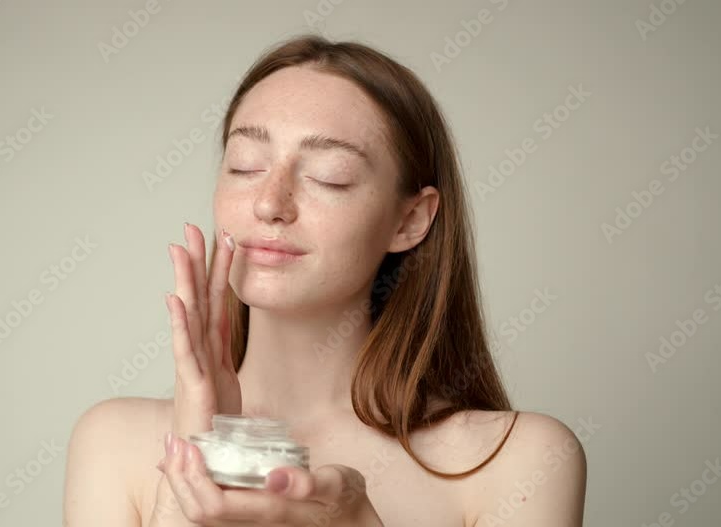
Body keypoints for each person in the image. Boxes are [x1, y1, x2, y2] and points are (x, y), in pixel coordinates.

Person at [64, 34, 587, 526]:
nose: (269, 203)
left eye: (329, 176)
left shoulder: (518, 460)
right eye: (245, 166)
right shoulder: (113, 442)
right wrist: (193, 475)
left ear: (410, 220)